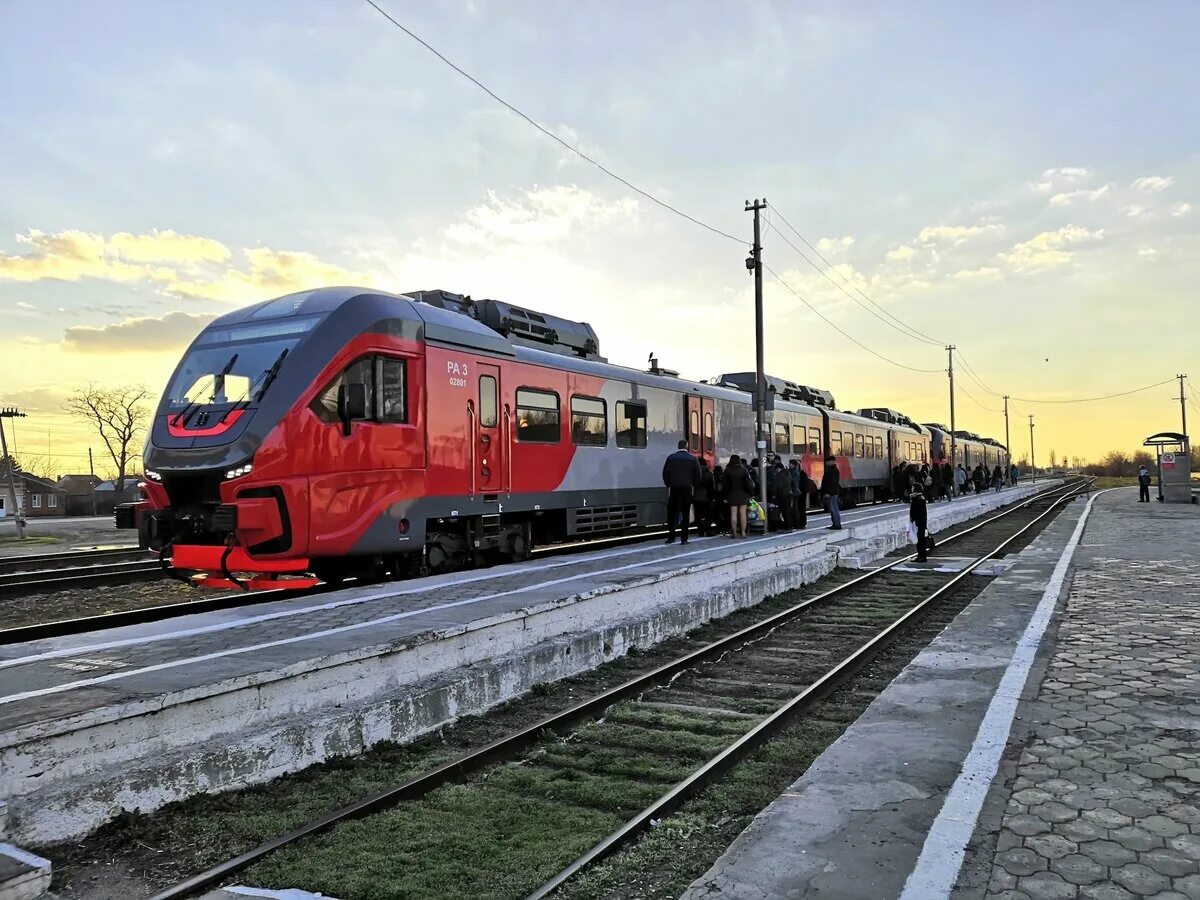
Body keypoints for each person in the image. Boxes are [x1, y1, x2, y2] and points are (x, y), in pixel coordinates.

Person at [662, 439, 701, 544]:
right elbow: (698, 475)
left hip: (674, 489)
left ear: (678, 446)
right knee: (685, 514)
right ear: (687, 446)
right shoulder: (693, 459)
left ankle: (671, 537)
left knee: (672, 513)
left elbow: (665, 473)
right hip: (687, 489)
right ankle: (684, 539)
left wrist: (668, 484)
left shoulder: (671, 458)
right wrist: (693, 484)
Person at [724, 454, 754, 537]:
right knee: (743, 513)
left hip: (732, 494)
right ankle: (743, 533)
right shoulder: (744, 470)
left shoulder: (727, 470)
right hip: (743, 493)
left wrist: (725, 495)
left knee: (733, 513)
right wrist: (750, 493)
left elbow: (725, 485)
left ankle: (734, 532)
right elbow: (749, 483)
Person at [909, 486, 935, 562]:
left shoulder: (919, 499)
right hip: (919, 522)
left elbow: (916, 511)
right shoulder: (918, 498)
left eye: (913, 488)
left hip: (920, 523)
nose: (912, 489)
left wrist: (914, 520)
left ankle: (922, 557)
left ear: (916, 490)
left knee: (921, 540)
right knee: (919, 540)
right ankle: (920, 556)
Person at [770, 458, 795, 531]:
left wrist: (774, 494)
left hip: (782, 495)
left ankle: (787, 527)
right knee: (788, 511)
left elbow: (777, 485)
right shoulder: (788, 473)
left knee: (785, 511)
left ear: (778, 468)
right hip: (789, 493)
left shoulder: (779, 475)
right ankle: (790, 526)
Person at [694, 458, 715, 536]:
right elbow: (712, 487)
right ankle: (708, 530)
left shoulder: (694, 474)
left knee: (698, 515)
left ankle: (700, 531)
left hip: (696, 497)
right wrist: (712, 497)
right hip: (707, 497)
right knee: (708, 515)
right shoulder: (709, 473)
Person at [821, 455, 842, 530]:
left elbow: (833, 483)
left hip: (832, 493)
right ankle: (835, 524)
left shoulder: (834, 471)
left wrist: (828, 492)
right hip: (831, 492)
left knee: (834, 508)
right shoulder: (830, 470)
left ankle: (837, 524)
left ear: (832, 461)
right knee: (832, 508)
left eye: (828, 461)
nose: (826, 463)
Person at [789, 458, 809, 530]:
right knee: (798, 509)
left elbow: (802, 485)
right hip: (798, 493)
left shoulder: (801, 474)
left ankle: (800, 523)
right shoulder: (797, 473)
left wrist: (800, 492)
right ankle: (798, 523)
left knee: (799, 509)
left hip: (799, 493)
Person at [711, 464, 727, 533]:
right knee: (724, 513)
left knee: (717, 514)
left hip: (716, 499)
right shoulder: (723, 479)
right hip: (722, 498)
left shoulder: (713, 478)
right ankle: (725, 527)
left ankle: (719, 526)